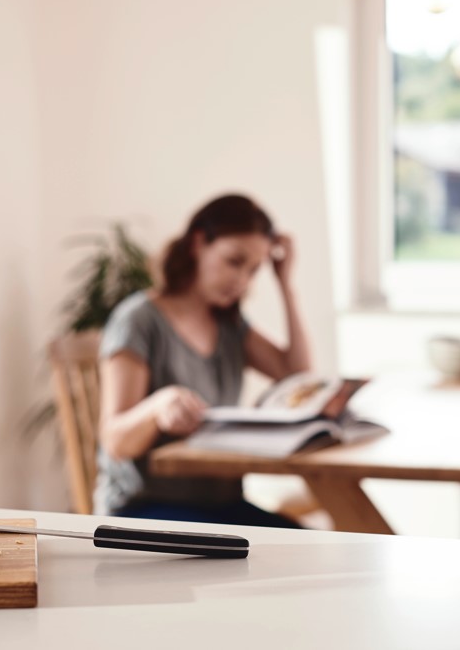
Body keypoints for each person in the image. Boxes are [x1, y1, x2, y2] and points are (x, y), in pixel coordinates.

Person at [95, 193, 311, 528]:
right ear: (198, 243)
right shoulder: (139, 321)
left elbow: (297, 377)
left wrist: (286, 283)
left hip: (221, 505)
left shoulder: (229, 325)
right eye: (234, 261)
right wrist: (159, 406)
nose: (242, 280)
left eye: (254, 270)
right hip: (142, 508)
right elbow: (115, 440)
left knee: (307, 548)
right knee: (273, 555)